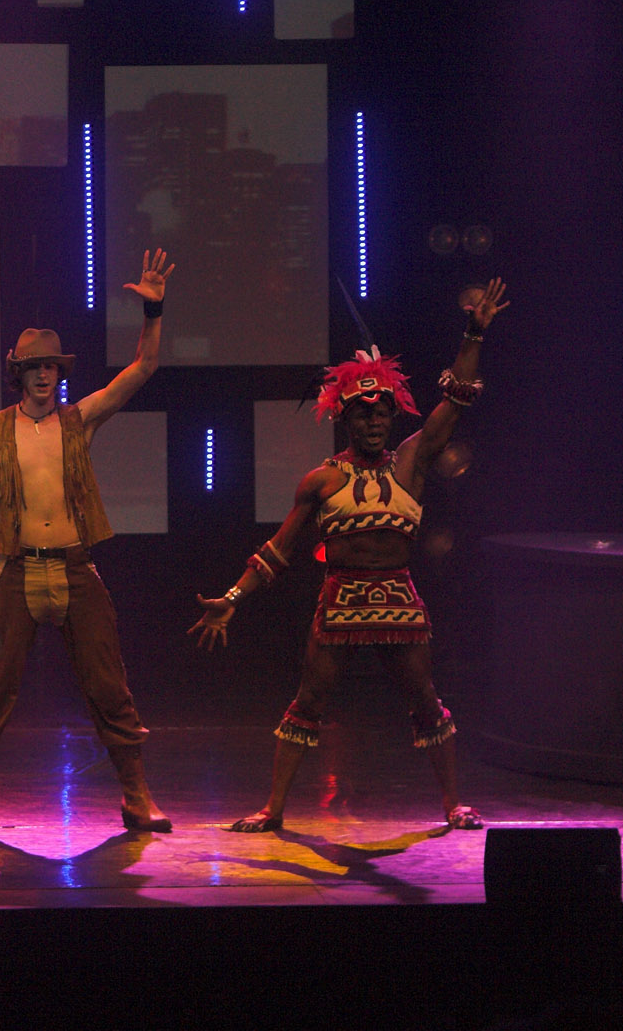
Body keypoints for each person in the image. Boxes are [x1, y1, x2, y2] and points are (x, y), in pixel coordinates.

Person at [189, 278, 508, 833]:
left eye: (382, 412)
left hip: (398, 596)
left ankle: (453, 803)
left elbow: (456, 398)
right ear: (345, 418)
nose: (374, 421)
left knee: (425, 700)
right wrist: (233, 598)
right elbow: (277, 552)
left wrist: (473, 334)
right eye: (363, 414)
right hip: (341, 599)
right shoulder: (322, 480)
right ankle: (274, 808)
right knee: (309, 701)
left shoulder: (411, 461)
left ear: (392, 415)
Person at [0, 250, 176, 837]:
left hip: (74, 567)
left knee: (109, 687)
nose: (43, 375)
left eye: (51, 367)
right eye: (33, 367)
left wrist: (153, 311)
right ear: (19, 373)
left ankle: (137, 796)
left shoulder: (79, 419)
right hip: (16, 570)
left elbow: (143, 368)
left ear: (60, 374)